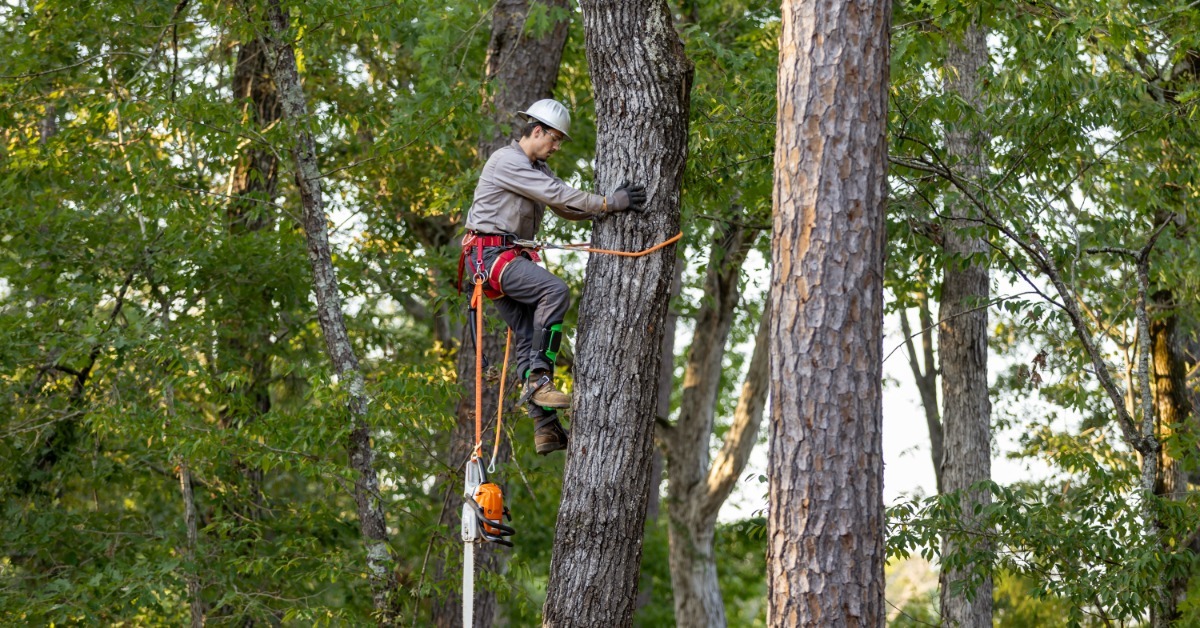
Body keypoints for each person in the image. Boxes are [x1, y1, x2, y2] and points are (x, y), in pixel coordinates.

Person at [461, 99, 646, 455]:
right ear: (536, 131)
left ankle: (545, 427)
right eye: (555, 139)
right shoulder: (507, 161)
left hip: (500, 258)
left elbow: (563, 206)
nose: (557, 147)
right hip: (490, 257)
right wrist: (609, 202)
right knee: (554, 291)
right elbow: (557, 195)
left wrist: (600, 211)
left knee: (530, 332)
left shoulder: (537, 168)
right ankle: (541, 380)